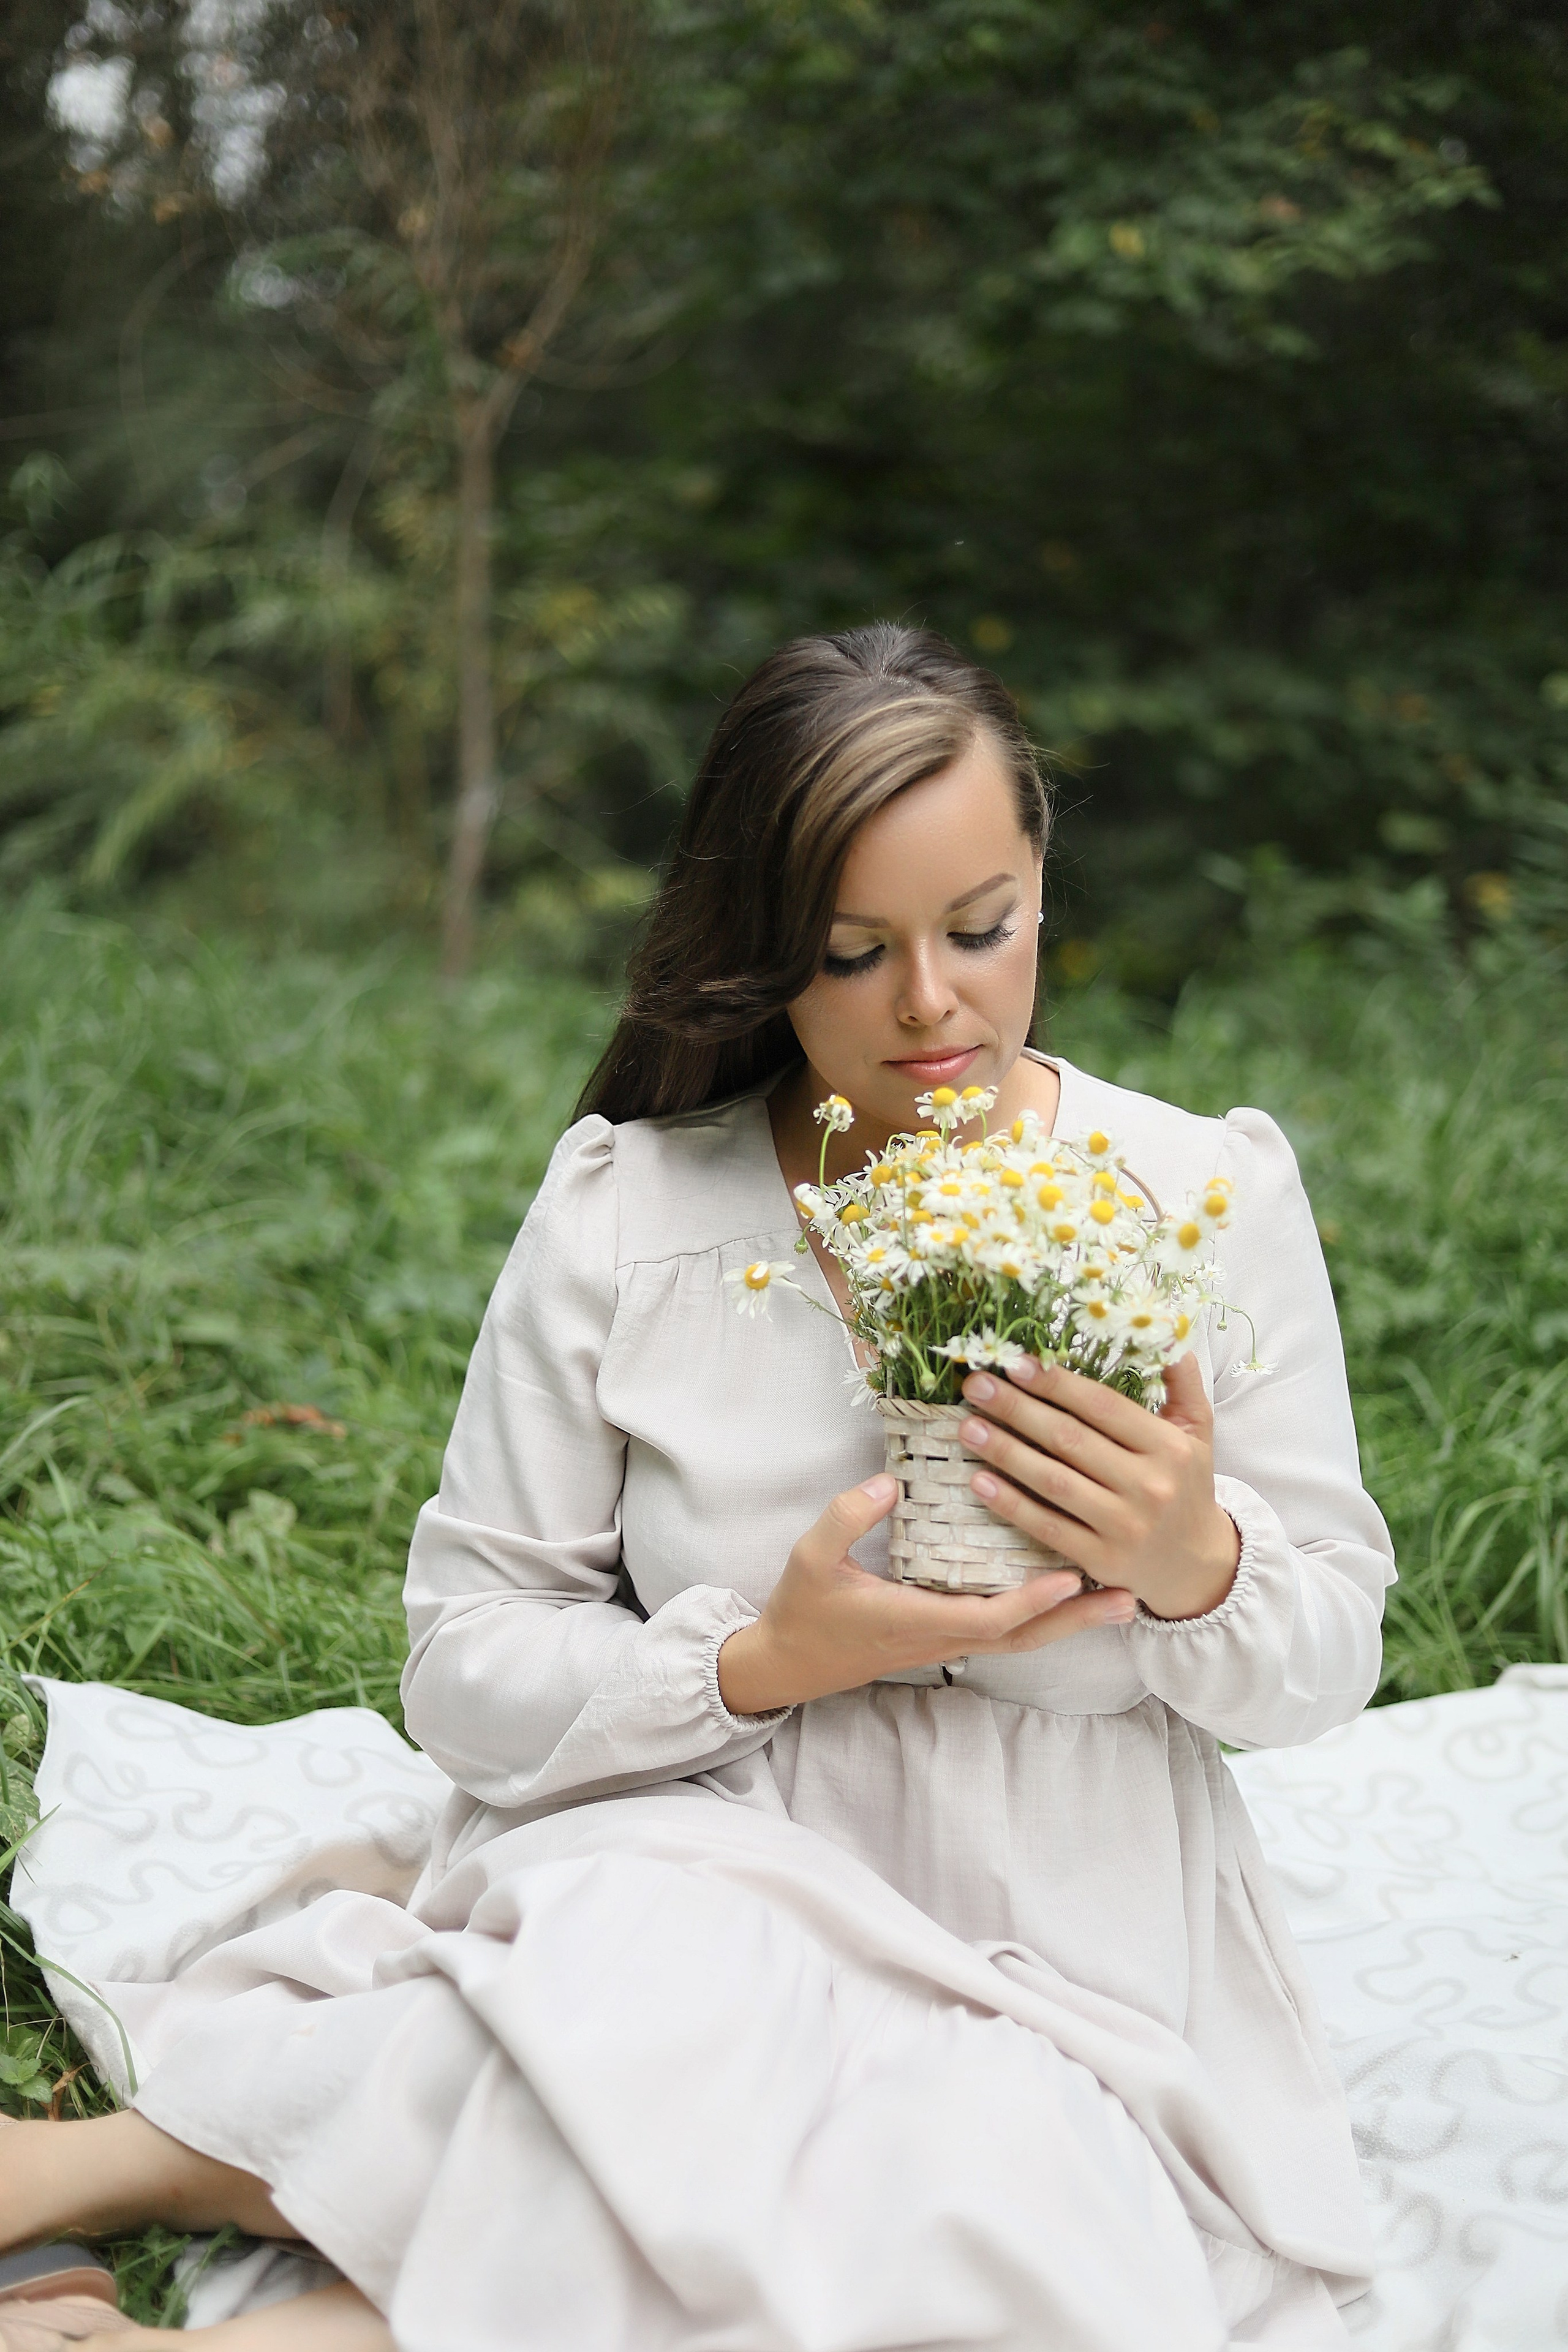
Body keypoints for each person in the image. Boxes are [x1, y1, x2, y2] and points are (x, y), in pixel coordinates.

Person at [0, 625, 1394, 2352]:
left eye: (982, 929)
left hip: (1066, 1925)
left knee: (966, 2200)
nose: (930, 1005)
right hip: (709, 1851)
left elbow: (1331, 1653)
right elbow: (464, 1662)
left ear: (1042, 883)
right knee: (669, 2011)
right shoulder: (634, 1216)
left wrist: (1200, 1560)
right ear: (761, 949)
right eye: (850, 953)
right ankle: (90, 2181)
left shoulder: (1193, 1200)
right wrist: (756, 1663)